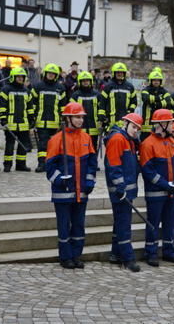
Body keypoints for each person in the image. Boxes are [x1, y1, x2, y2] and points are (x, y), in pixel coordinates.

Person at [44, 102, 97, 269]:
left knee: (79, 225)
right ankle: (65, 257)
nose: (80, 120)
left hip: (82, 192)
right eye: (77, 117)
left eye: (82, 117)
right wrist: (60, 180)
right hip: (63, 193)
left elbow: (92, 164)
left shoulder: (86, 138)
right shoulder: (56, 140)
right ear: (67, 118)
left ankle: (76, 255)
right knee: (64, 226)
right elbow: (49, 168)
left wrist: (90, 180)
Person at [139, 108, 174, 266]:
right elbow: (147, 171)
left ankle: (168, 251)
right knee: (153, 223)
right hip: (155, 193)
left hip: (172, 192)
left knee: (170, 222)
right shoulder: (147, 144)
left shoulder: (173, 142)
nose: (173, 125)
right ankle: (150, 253)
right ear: (162, 124)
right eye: (170, 122)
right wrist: (166, 184)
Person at [104, 112, 143, 272]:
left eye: (138, 129)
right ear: (125, 124)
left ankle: (115, 253)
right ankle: (128, 258)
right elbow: (114, 166)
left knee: (120, 223)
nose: (136, 131)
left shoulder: (129, 140)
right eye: (134, 127)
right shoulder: (118, 139)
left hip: (126, 191)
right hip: (120, 191)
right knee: (124, 225)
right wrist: (120, 188)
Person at [31, 63, 68, 173]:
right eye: (49, 73)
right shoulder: (38, 86)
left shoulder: (60, 88)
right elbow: (32, 103)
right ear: (45, 74)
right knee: (42, 144)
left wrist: (63, 119)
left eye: (53, 74)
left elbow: (63, 105)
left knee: (55, 145)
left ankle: (53, 164)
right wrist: (32, 117)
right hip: (41, 121)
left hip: (55, 122)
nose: (51, 75)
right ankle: (42, 164)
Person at [0, 67, 34, 172]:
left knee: (22, 146)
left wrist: (31, 119)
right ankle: (7, 165)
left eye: (22, 77)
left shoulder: (27, 91)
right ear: (13, 77)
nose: (20, 79)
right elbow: (2, 105)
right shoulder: (6, 89)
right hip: (10, 123)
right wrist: (3, 118)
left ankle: (21, 165)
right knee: (9, 145)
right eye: (18, 77)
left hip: (23, 123)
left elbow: (30, 107)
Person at [70, 71, 104, 152]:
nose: (85, 82)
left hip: (94, 126)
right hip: (80, 126)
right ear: (79, 82)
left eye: (87, 80)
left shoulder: (97, 94)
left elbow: (101, 108)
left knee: (93, 147)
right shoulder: (75, 95)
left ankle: (93, 164)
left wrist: (102, 119)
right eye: (83, 81)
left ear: (91, 81)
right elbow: (71, 110)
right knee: (80, 147)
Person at [100, 62, 138, 129]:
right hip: (111, 121)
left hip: (125, 120)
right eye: (118, 72)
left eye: (121, 72)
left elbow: (134, 101)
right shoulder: (108, 86)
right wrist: (101, 115)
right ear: (114, 73)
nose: (120, 74)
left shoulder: (130, 87)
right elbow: (102, 102)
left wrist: (131, 109)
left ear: (124, 73)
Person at [140, 69, 172, 137]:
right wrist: (159, 98)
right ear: (151, 81)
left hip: (159, 122)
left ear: (160, 81)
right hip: (147, 123)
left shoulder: (164, 91)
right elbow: (145, 98)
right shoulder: (146, 90)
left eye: (158, 80)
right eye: (154, 80)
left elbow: (168, 102)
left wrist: (155, 104)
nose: (156, 82)